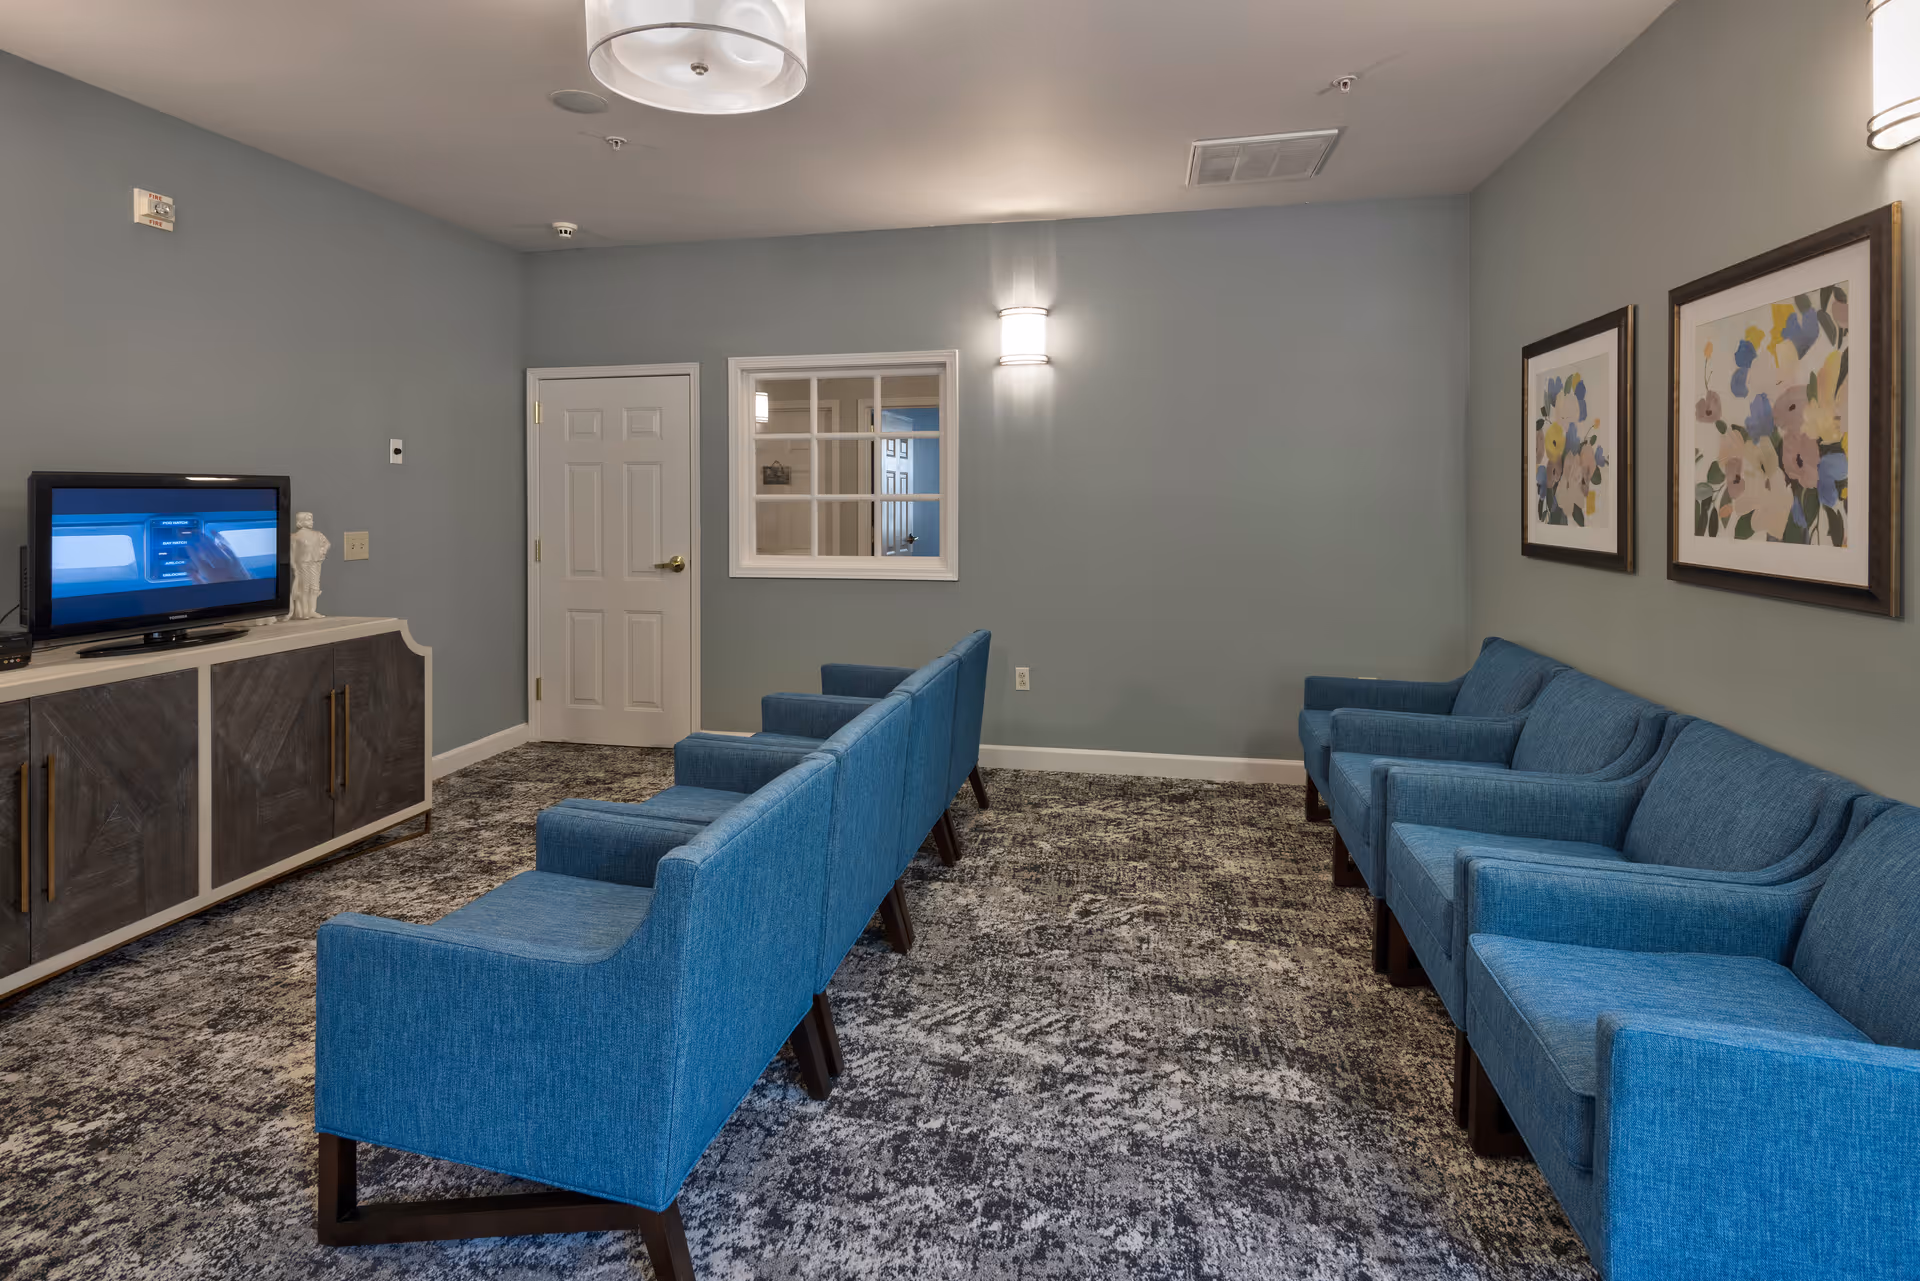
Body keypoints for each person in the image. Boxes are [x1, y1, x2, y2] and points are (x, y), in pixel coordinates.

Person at [289, 512, 331, 621]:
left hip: (315, 562)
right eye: (308, 519)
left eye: (311, 519)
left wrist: (322, 551)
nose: (311, 522)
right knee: (304, 587)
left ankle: (312, 610)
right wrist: (293, 565)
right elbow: (292, 552)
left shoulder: (318, 534)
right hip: (302, 564)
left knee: (315, 586)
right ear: (300, 521)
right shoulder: (295, 537)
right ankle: (304, 611)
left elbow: (326, 544)